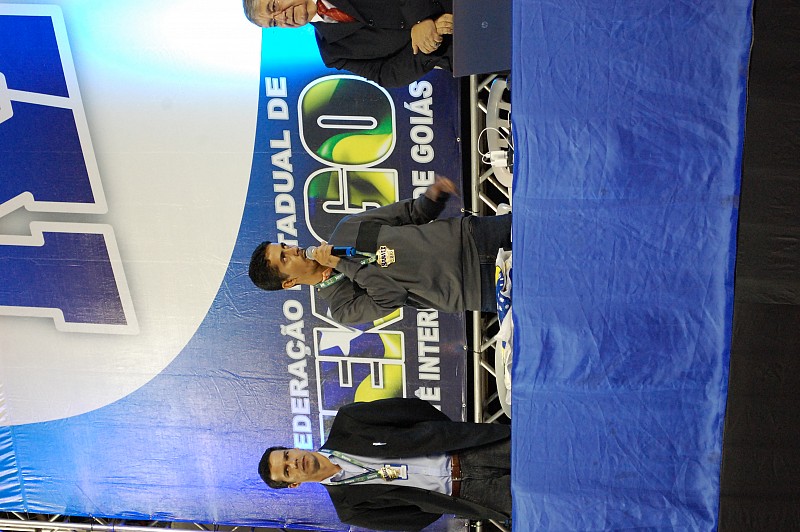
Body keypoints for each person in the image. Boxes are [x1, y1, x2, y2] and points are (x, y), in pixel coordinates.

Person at [248, 176, 512, 325]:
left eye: (285, 246)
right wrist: (341, 264)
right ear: (289, 282)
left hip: (473, 236)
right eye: (284, 258)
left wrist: (434, 196)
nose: (293, 249)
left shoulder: (346, 228)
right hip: (476, 286)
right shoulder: (342, 306)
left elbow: (411, 213)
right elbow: (391, 296)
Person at [258, 397, 511, 531]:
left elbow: (411, 409)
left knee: (534, 450)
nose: (294, 462)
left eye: (287, 455)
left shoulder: (349, 422)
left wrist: (443, 436)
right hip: (469, 495)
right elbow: (411, 521)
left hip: (470, 449)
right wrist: (436, 501)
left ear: (293, 448)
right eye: (287, 471)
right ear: (293, 484)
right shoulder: (350, 510)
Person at [241, 0, 454, 88]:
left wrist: (421, 19)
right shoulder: (333, 53)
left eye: (273, 6)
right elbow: (386, 75)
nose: (282, 18)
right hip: (454, 50)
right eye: (274, 23)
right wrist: (428, 43)